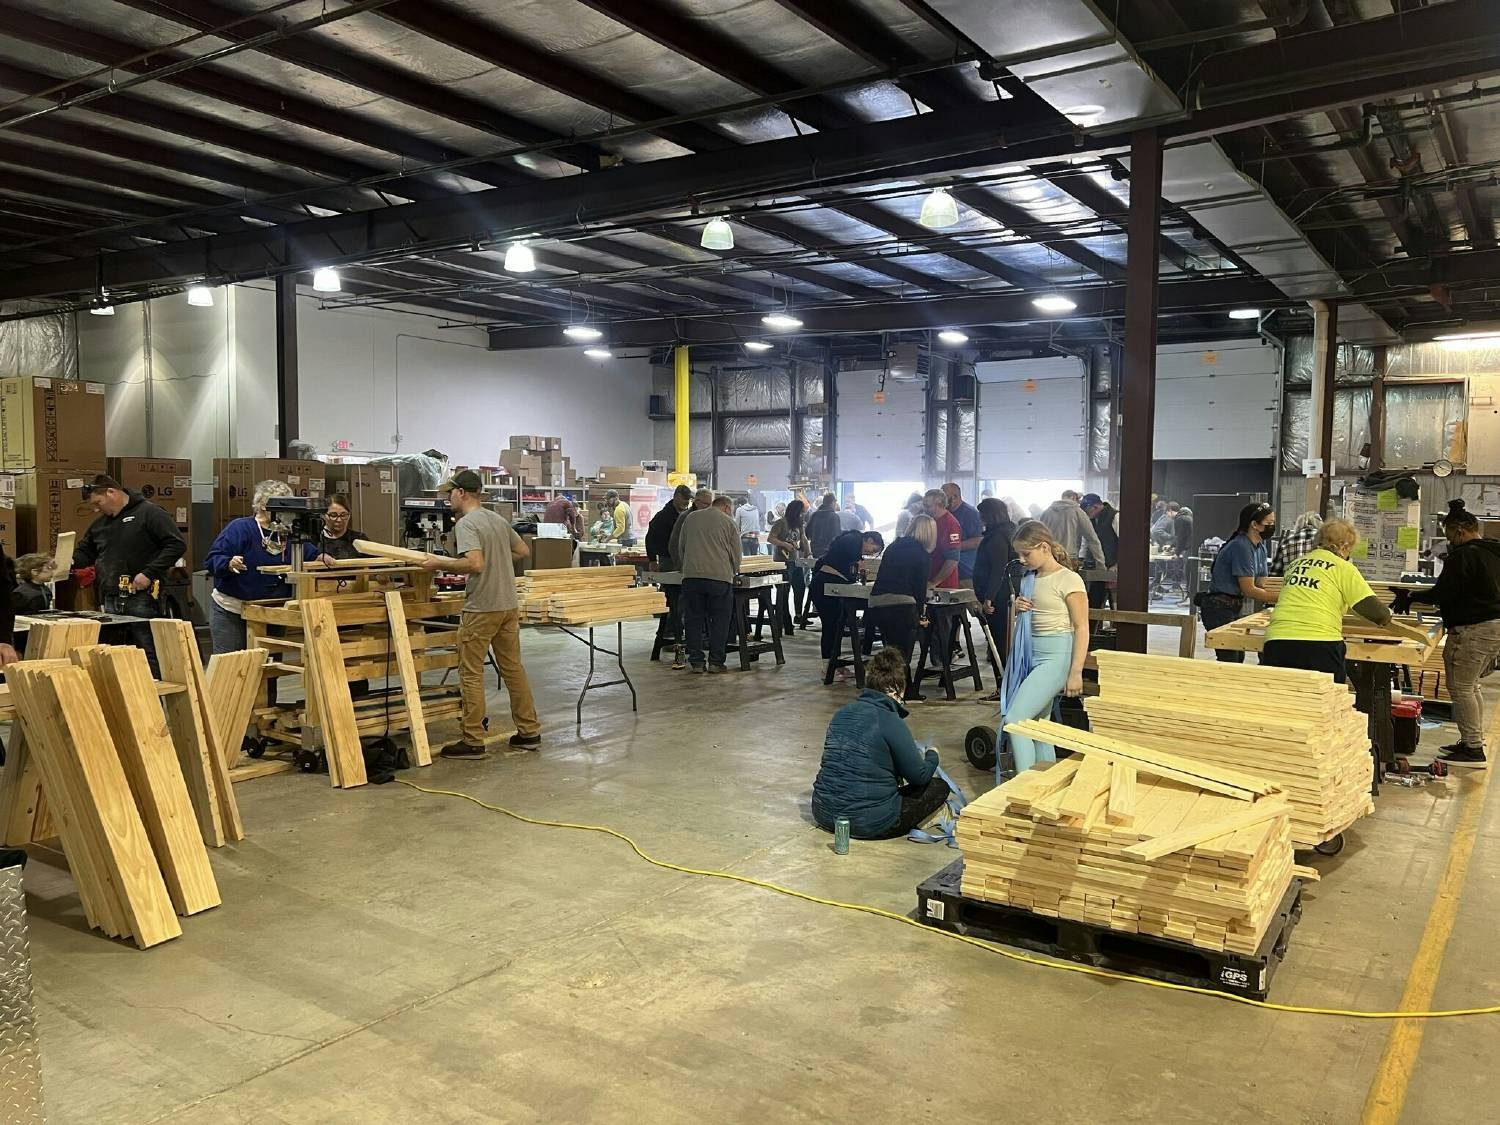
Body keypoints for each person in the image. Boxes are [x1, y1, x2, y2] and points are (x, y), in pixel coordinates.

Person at [419, 470, 540, 757]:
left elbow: (474, 564)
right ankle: (529, 731)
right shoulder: (496, 519)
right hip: (508, 604)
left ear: (461, 493)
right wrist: (497, 562)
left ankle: (473, 739)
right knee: (513, 669)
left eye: (450, 493)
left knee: (471, 673)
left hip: (482, 607)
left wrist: (439, 562)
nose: (448, 498)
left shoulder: (467, 524)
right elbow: (522, 550)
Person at [810, 647, 950, 840]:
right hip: (869, 823)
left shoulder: (840, 714)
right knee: (938, 787)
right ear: (898, 687)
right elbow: (919, 775)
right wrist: (932, 755)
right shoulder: (890, 721)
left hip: (822, 812)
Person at [1404, 499, 1500, 766]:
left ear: (1459, 531)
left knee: (1462, 687)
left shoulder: (1464, 555)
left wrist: (1410, 597)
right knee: (1471, 685)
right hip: (1492, 626)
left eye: (1448, 534)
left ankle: (1473, 749)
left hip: (1474, 629)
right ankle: (1473, 740)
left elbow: (1443, 592)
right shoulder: (1493, 551)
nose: (1447, 540)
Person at [72, 472, 187, 675]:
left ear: (111, 492)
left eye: (98, 502)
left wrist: (149, 573)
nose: (96, 509)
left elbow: (176, 544)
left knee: (147, 649)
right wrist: (68, 562)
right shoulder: (101, 524)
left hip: (143, 597)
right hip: (111, 598)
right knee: (115, 652)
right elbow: (85, 552)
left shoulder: (150, 513)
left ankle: (153, 700)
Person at [204, 481, 329, 655]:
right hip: (233, 610)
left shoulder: (289, 532)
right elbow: (212, 559)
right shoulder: (241, 528)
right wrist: (228, 563)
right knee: (231, 665)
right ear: (263, 505)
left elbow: (310, 553)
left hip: (272, 610)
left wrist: (321, 557)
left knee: (269, 667)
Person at [1261, 519, 1391, 685]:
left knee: (1283, 701)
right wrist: (1389, 617)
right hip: (1319, 644)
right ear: (1344, 547)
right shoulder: (1342, 567)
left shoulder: (1295, 564)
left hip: (1277, 642)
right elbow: (1378, 613)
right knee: (1327, 702)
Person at [1005, 520, 1090, 772]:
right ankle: (1044, 783)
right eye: (1019, 554)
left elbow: (1082, 628)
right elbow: (1024, 621)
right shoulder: (1030, 578)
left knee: (1015, 720)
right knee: (1039, 722)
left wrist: (1076, 672)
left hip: (1057, 657)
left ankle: (1025, 787)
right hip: (1034, 653)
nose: (1021, 560)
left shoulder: (1069, 579)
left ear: (1044, 547)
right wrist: (1017, 607)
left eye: (1026, 553)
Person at [1200, 502, 1279, 662]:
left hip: (1234, 605)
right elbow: (1250, 589)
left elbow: (1262, 582)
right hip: (1218, 606)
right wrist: (1282, 598)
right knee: (1230, 658)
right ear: (1254, 525)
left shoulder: (1260, 547)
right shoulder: (1241, 546)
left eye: (1273, 523)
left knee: (1238, 654)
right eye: (1268, 523)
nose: (1272, 527)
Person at [676, 494, 742, 673]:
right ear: (727, 507)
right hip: (719, 578)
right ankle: (715, 662)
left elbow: (681, 546)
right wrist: (734, 572)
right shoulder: (729, 522)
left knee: (693, 620)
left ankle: (696, 662)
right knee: (720, 621)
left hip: (692, 578)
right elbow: (737, 554)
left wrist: (687, 569)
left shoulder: (691, 518)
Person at [810, 527, 885, 673]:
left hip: (835, 587)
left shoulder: (854, 542)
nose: (868, 553)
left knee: (836, 626)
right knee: (830, 626)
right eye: (871, 550)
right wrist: (857, 563)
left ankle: (835, 664)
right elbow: (846, 559)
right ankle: (827, 666)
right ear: (869, 540)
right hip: (825, 587)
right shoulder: (852, 540)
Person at [867, 514, 934, 675]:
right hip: (902, 605)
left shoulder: (893, 547)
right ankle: (905, 689)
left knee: (891, 648)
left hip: (877, 603)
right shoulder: (922, 554)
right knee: (904, 653)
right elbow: (920, 588)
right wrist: (920, 613)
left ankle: (885, 682)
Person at [973, 498, 1018, 696]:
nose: (980, 518)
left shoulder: (998, 537)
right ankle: (1006, 686)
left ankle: (1003, 688)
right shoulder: (1008, 532)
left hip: (998, 599)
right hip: (1004, 596)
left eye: (982, 514)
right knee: (1002, 644)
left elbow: (998, 569)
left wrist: (988, 597)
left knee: (1000, 644)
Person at [767, 498, 808, 635]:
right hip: (783, 562)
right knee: (784, 592)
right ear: (795, 512)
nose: (802, 515)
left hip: (796, 561)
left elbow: (803, 539)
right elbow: (771, 538)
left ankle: (798, 614)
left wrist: (806, 550)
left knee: (800, 587)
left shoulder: (799, 524)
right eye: (801, 512)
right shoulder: (781, 523)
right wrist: (784, 544)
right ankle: (785, 621)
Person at [1040, 490, 1105, 574]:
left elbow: (1039, 536)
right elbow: (1092, 539)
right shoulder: (1077, 512)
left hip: (1049, 558)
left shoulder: (1046, 513)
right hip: (1068, 559)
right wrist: (1101, 566)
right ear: (1074, 498)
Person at [1080, 492, 1119, 611]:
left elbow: (1125, 543)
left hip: (1113, 566)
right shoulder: (1091, 520)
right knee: (1094, 600)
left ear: (1095, 507)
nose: (1085, 514)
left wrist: (1117, 564)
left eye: (1087, 511)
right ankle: (1094, 628)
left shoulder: (1115, 517)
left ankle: (1116, 626)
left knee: (1116, 603)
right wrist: (1081, 559)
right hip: (1098, 567)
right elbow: (1086, 541)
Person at [942, 482, 984, 586]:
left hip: (966, 573)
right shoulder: (944, 514)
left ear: (955, 497)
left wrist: (953, 547)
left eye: (944, 498)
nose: (942, 502)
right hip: (948, 571)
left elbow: (978, 540)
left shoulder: (971, 514)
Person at [645, 485, 693, 571]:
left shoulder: (689, 515)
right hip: (667, 559)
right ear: (676, 496)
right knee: (669, 583)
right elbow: (650, 538)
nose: (687, 502)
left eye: (688, 499)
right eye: (684, 498)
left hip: (686, 558)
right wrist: (652, 560)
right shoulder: (663, 516)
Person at [921, 489, 962, 590]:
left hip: (943, 585)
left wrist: (934, 582)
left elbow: (952, 559)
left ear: (939, 505)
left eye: (928, 506)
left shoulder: (950, 524)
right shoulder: (928, 521)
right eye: (924, 505)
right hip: (928, 578)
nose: (924, 509)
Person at [667, 487, 714, 569]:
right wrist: (681, 565)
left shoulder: (709, 518)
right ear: (697, 502)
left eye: (710, 504)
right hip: (688, 566)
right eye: (706, 504)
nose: (708, 507)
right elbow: (674, 544)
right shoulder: (685, 517)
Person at [1269, 512, 1323, 577]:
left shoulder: (1286, 541)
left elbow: (1274, 574)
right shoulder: (1325, 540)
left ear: (1298, 525)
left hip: (1291, 584)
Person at [316, 494, 366, 561]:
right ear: (324, 515)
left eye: (343, 515)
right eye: (333, 515)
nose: (339, 520)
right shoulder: (314, 540)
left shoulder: (360, 538)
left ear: (349, 515)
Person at [807, 493, 843, 560]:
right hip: (828, 551)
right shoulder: (834, 516)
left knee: (816, 569)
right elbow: (836, 536)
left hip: (814, 550)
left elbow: (807, 533)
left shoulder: (814, 515)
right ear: (833, 502)